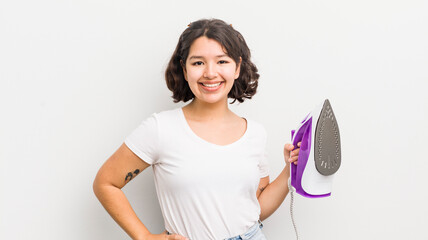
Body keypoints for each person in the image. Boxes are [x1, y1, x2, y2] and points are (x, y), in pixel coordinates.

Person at [93, 18, 300, 240]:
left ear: (237, 67)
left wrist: (290, 169)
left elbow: (255, 208)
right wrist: (144, 237)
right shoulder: (160, 129)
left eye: (222, 62)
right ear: (184, 69)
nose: (210, 73)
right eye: (198, 63)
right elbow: (106, 183)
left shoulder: (255, 133)